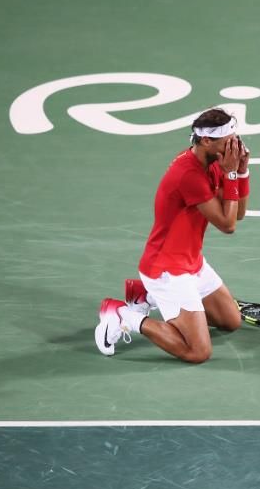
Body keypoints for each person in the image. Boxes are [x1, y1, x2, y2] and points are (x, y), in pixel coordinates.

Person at [94, 108, 251, 363]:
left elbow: (238, 213)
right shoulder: (189, 175)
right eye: (228, 141)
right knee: (198, 352)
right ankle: (124, 315)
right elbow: (228, 225)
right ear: (206, 141)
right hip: (168, 271)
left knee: (231, 321)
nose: (235, 146)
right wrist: (231, 174)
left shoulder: (212, 162)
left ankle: (145, 295)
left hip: (192, 263)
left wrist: (241, 171)